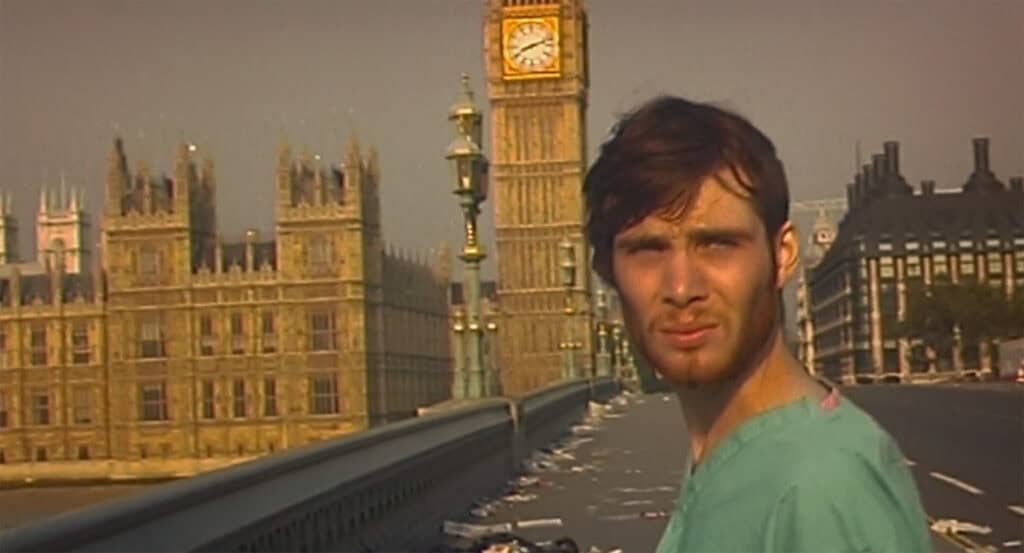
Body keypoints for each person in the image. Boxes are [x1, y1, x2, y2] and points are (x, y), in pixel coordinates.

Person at [583, 96, 932, 552]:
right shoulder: (729, 453)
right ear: (609, 270)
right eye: (647, 251)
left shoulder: (821, 488)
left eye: (716, 244)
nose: (682, 287)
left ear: (782, 256)